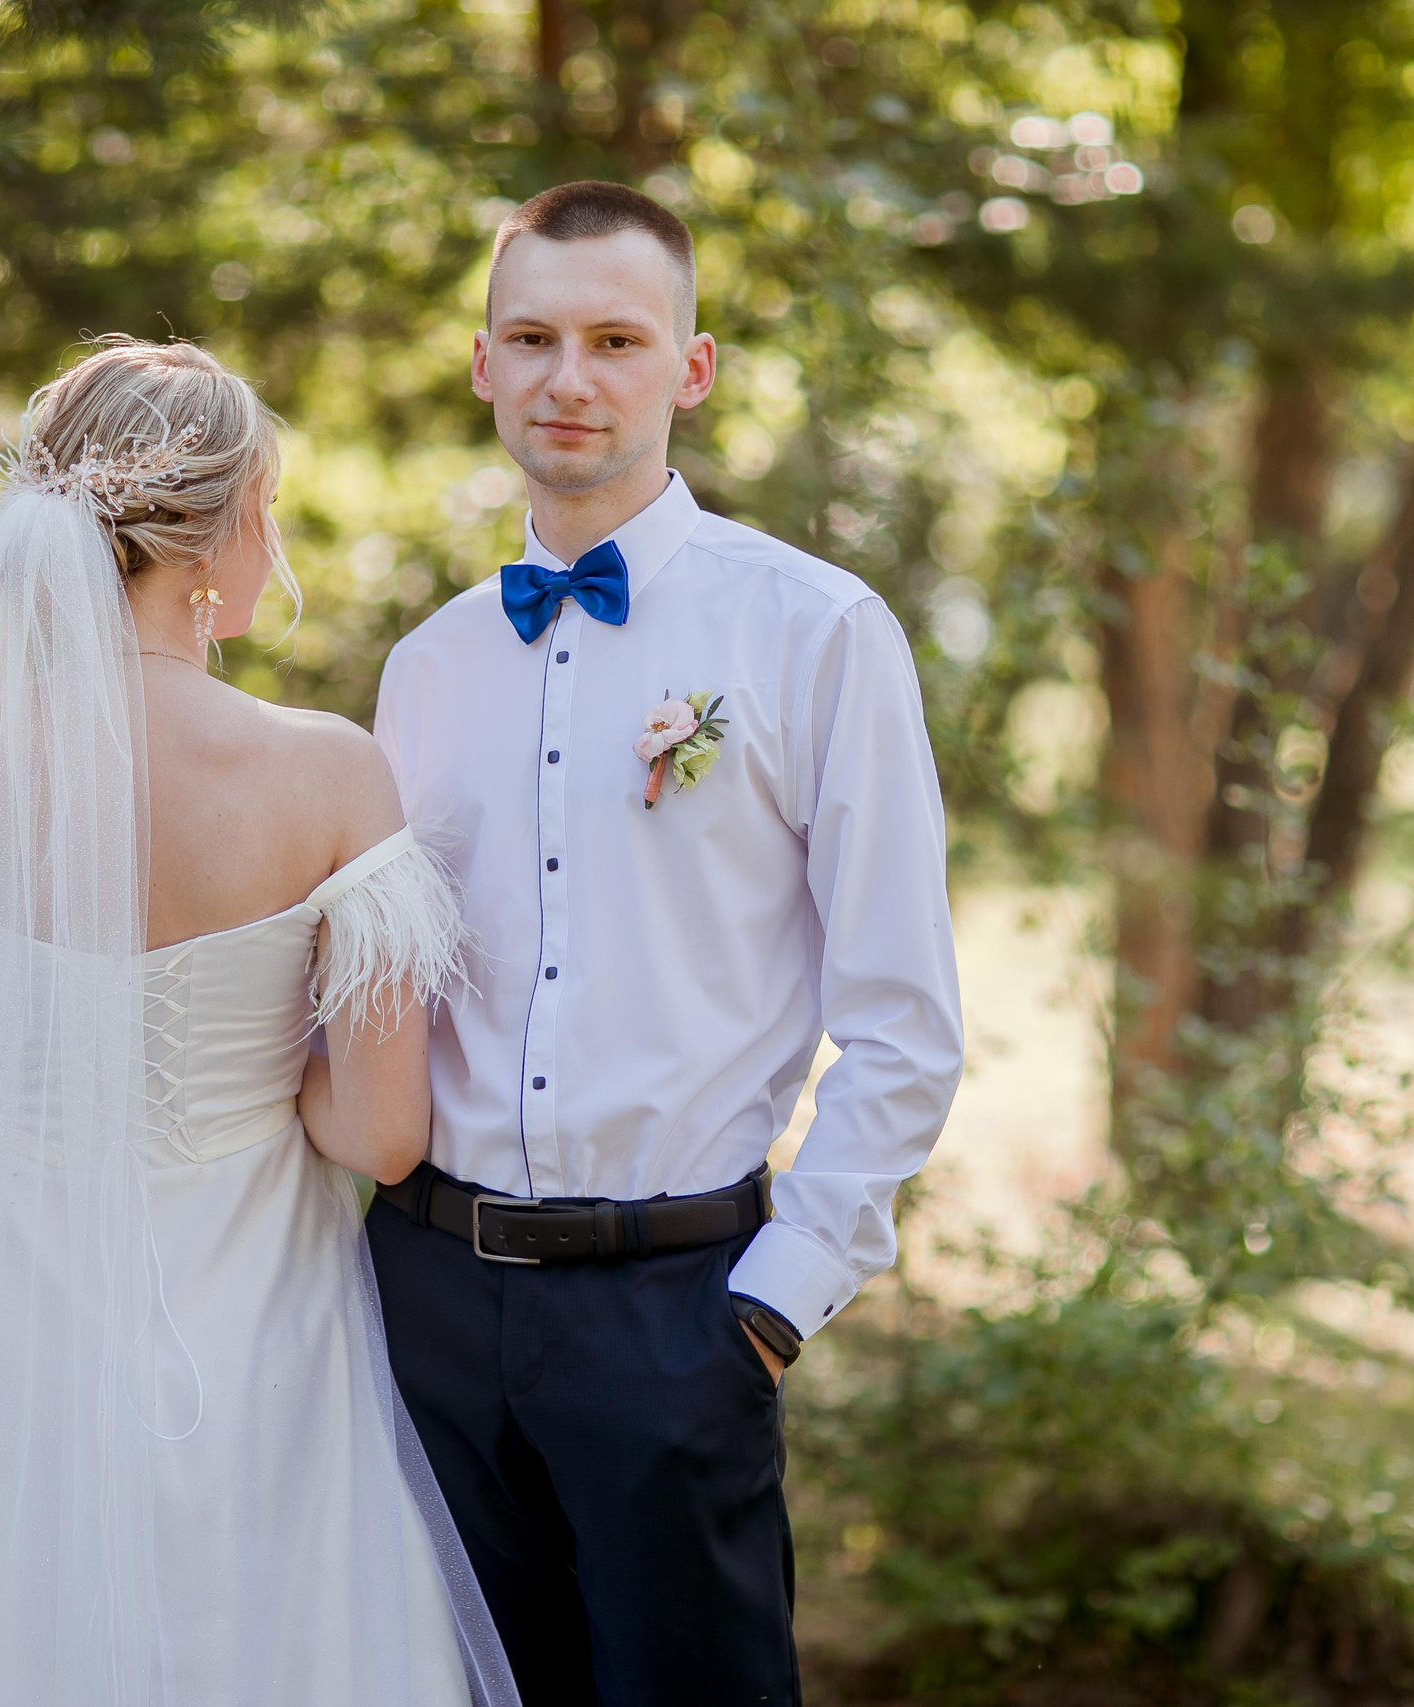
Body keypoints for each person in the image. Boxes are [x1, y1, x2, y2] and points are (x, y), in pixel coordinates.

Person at [0, 338, 517, 1707]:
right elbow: (388, 1136)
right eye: (266, 507)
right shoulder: (330, 774)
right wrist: (282, 1092)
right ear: (218, 537)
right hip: (254, 1324)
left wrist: (11, 1080)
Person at [369, 182, 966, 1706]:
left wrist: (774, 1303)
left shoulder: (816, 631)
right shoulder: (426, 669)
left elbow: (903, 1014)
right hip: (427, 1306)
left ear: (690, 370)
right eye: (536, 338)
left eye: (618, 340)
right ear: (484, 361)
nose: (574, 378)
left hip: (677, 1315)